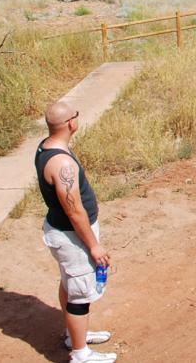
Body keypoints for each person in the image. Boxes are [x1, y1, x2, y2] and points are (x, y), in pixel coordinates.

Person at [36, 101, 117, 363]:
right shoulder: (62, 164)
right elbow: (74, 210)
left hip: (61, 232)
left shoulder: (45, 147)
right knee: (80, 293)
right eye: (76, 115)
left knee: (69, 283)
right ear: (71, 123)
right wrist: (94, 245)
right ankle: (80, 353)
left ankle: (76, 335)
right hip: (73, 237)